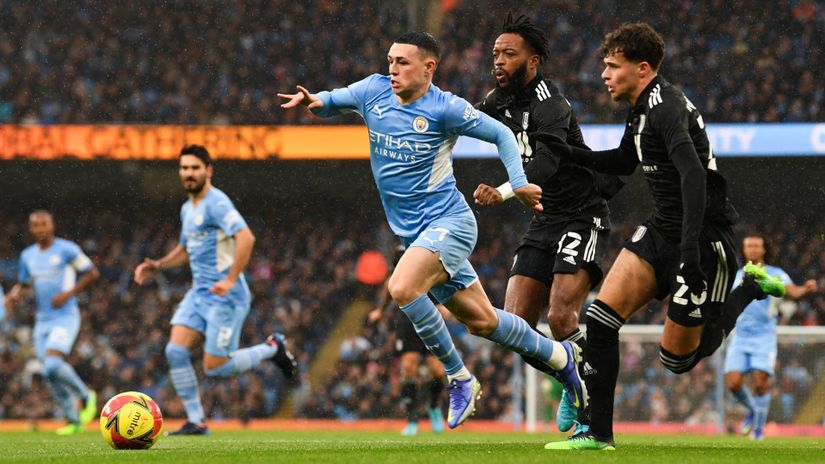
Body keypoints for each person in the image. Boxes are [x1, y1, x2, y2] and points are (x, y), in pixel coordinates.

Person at [278, 31, 588, 430]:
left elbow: (502, 134)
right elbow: (329, 102)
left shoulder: (446, 108)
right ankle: (565, 363)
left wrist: (517, 183)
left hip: (450, 224)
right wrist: (312, 102)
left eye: (402, 62)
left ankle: (460, 378)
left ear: (429, 68)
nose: (392, 68)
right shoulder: (372, 91)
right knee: (483, 321)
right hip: (415, 234)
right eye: (390, 60)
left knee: (403, 287)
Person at [539, 23, 786, 450]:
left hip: (704, 240)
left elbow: (693, 175)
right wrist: (568, 153)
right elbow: (621, 160)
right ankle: (597, 434)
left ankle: (746, 289)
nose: (604, 74)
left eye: (613, 66)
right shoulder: (640, 109)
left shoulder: (666, 107)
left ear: (643, 68)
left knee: (678, 361)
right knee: (600, 319)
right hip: (659, 231)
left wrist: (689, 252)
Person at [472, 14, 622, 436]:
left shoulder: (550, 103)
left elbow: (547, 163)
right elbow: (459, 118)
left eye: (509, 54)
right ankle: (572, 383)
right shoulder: (496, 101)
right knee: (514, 325)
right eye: (495, 54)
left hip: (582, 213)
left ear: (533, 62)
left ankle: (592, 415)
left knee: (560, 315)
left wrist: (501, 192)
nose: (498, 61)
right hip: (543, 219)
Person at [134, 145, 297, 435]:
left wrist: (232, 278)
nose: (189, 174)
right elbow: (186, 248)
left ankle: (272, 349)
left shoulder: (216, 202)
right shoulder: (188, 207)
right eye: (184, 168)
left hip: (226, 296)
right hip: (199, 294)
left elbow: (246, 238)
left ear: (208, 170)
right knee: (175, 351)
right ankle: (196, 421)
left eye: (195, 168)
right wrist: (158, 265)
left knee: (215, 368)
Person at [5, 210, 100, 435]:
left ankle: (86, 396)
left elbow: (92, 273)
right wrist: (14, 295)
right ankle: (74, 419)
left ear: (52, 226)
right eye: (36, 226)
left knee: (53, 364)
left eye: (44, 224)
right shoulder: (28, 255)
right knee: (48, 372)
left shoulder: (67, 249)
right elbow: (25, 283)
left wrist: (68, 294)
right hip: (42, 319)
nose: (40, 229)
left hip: (66, 316)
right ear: (31, 229)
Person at [725, 234, 819, 440]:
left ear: (764, 249)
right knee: (733, 384)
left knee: (760, 382)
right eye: (749, 245)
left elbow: (792, 292)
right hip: (739, 337)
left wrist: (805, 289)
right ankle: (754, 411)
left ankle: (758, 429)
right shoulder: (736, 275)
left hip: (764, 336)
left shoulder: (775, 274)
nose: (752, 249)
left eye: (756, 245)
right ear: (743, 249)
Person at [368, 245, 446, 436]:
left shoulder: (429, 247)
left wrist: (445, 305)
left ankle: (434, 407)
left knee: (437, 371)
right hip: (407, 319)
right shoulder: (400, 250)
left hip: (429, 316)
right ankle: (412, 420)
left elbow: (440, 280)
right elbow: (391, 283)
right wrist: (381, 309)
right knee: (408, 368)